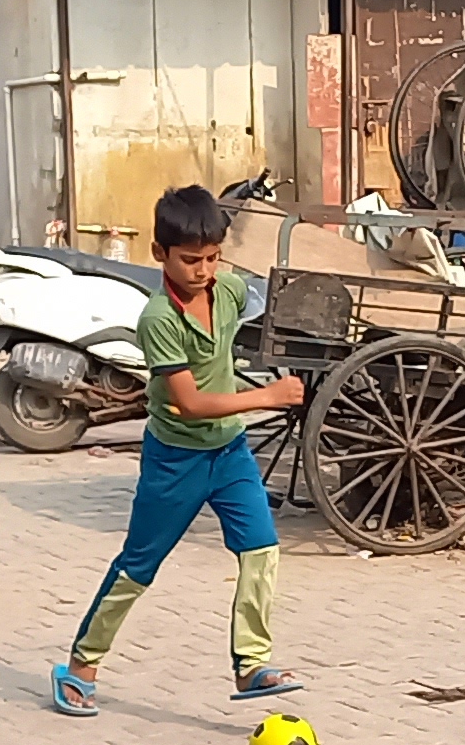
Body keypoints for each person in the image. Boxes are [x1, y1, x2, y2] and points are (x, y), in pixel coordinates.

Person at [52, 185, 309, 717]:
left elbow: (267, 306)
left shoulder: (230, 290)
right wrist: (268, 396)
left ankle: (252, 664)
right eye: (190, 260)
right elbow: (188, 403)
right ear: (159, 253)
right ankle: (80, 666)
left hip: (231, 453)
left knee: (261, 550)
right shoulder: (159, 319)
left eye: (213, 258)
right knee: (139, 565)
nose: (203, 271)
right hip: (176, 460)